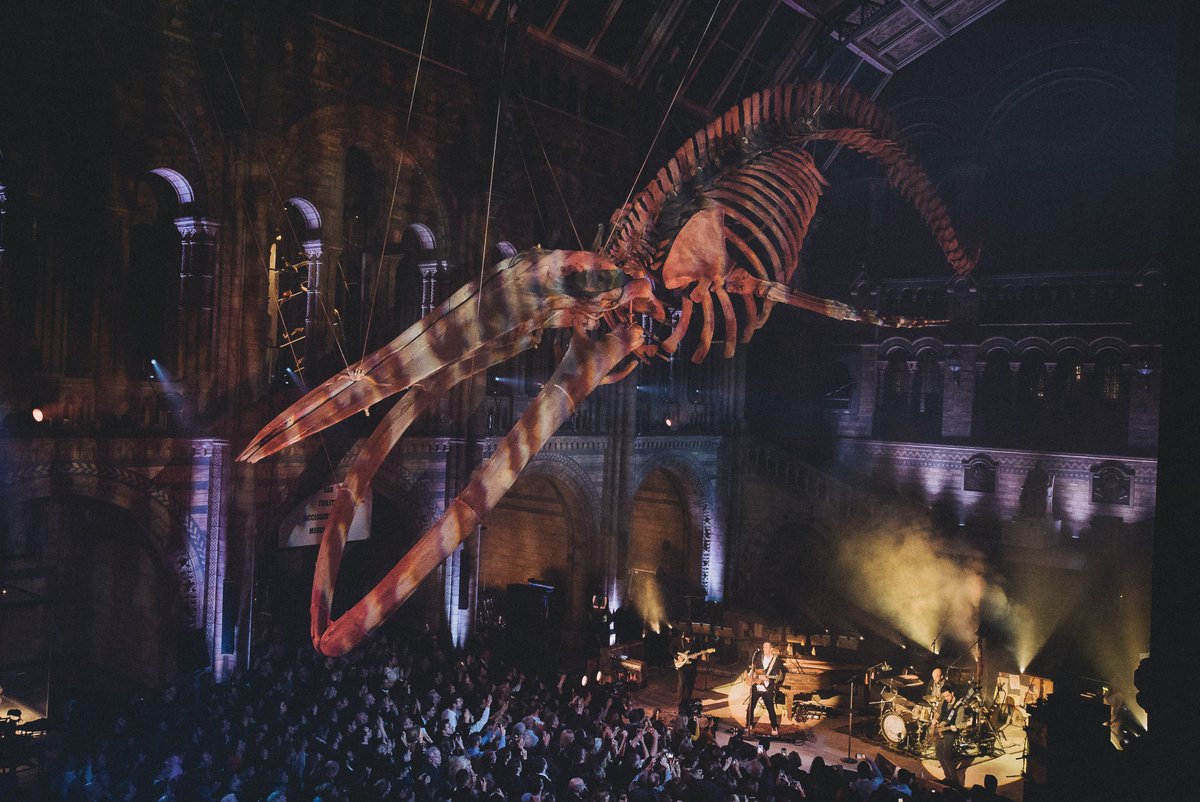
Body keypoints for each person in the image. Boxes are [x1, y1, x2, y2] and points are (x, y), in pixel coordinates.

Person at [745, 641, 785, 736]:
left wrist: (766, 679)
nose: (764, 649)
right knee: (751, 706)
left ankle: (774, 726)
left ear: (771, 648)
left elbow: (776, 675)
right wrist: (753, 674)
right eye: (763, 647)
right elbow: (754, 667)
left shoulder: (776, 660)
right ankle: (749, 724)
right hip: (757, 686)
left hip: (767, 687)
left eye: (766, 647)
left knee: (770, 708)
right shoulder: (759, 656)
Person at [935, 685, 967, 787]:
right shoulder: (944, 702)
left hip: (951, 732)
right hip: (941, 730)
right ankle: (948, 777)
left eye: (948, 696)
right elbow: (938, 713)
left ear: (952, 693)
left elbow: (959, 724)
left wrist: (955, 727)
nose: (946, 698)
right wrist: (935, 719)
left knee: (946, 757)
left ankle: (954, 780)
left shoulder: (959, 707)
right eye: (944, 696)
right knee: (939, 755)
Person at [674, 632, 701, 712]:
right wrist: (677, 656)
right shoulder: (678, 640)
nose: (689, 640)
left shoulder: (696, 641)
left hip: (692, 667)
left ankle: (687, 703)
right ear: (683, 636)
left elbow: (699, 652)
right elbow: (671, 649)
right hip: (681, 666)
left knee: (690, 684)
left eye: (690, 638)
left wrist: (697, 657)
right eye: (687, 638)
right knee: (682, 684)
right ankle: (680, 704)